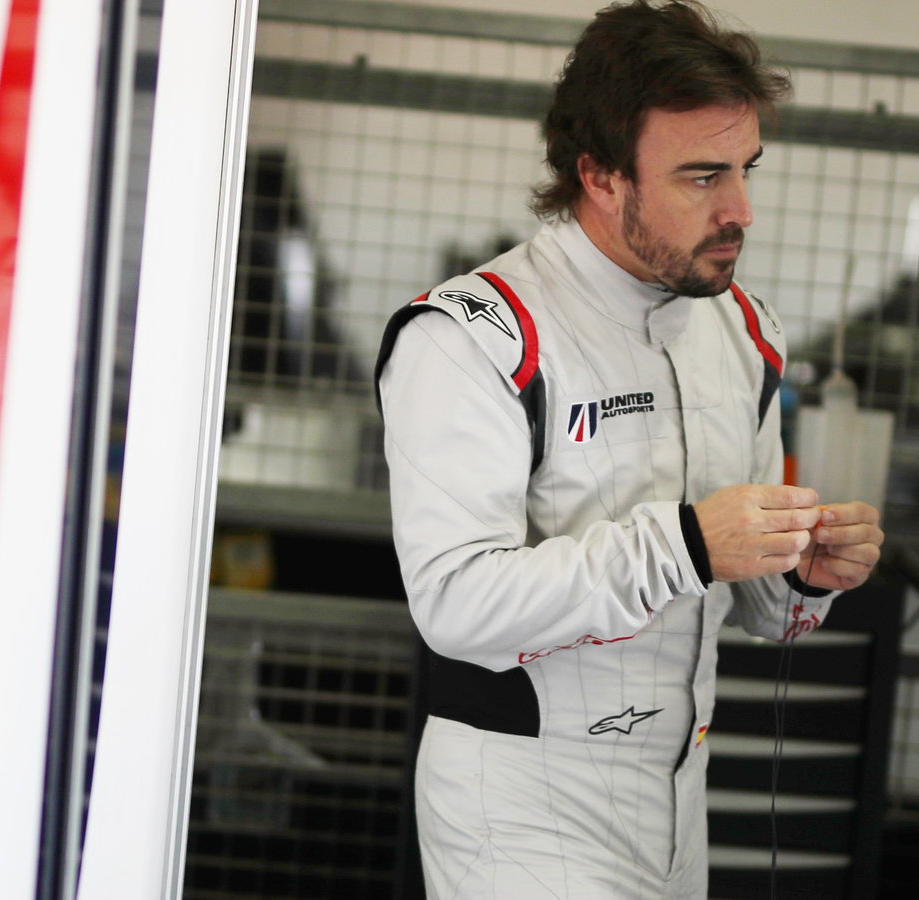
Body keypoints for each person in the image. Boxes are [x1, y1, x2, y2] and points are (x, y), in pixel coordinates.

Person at [373, 1, 885, 896]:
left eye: (746, 169)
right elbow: (453, 603)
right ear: (601, 176)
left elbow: (761, 610)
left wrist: (805, 576)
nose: (740, 209)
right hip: (520, 808)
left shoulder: (745, 332)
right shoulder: (473, 334)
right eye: (701, 176)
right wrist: (686, 543)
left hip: (680, 806)